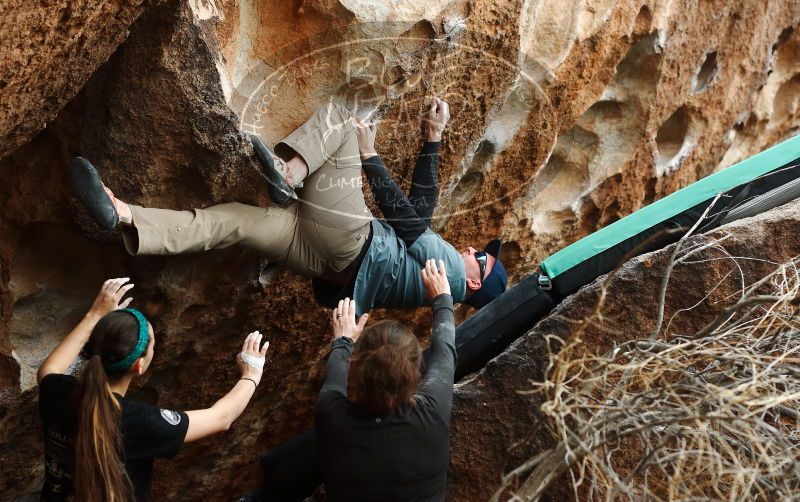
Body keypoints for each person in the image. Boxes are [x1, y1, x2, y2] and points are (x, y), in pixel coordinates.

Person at [69, 98, 507, 316]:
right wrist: (432, 137)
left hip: (348, 239)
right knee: (234, 222)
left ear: (474, 285)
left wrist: (371, 154)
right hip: (322, 262)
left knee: (339, 117)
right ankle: (123, 214)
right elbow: (422, 215)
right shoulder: (435, 293)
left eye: (482, 259)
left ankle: (290, 174)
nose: (473, 250)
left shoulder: (449, 275)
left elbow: (409, 223)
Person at [37, 277, 269, 502]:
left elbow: (49, 368)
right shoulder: (140, 422)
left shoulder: (59, 392)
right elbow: (222, 418)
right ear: (139, 366)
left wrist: (94, 314)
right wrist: (251, 374)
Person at [315, 258, 456, 501]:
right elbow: (445, 350)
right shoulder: (432, 411)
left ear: (358, 366)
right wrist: (442, 298)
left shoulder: (332, 414)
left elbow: (335, 375)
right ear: (415, 369)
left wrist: (344, 340)